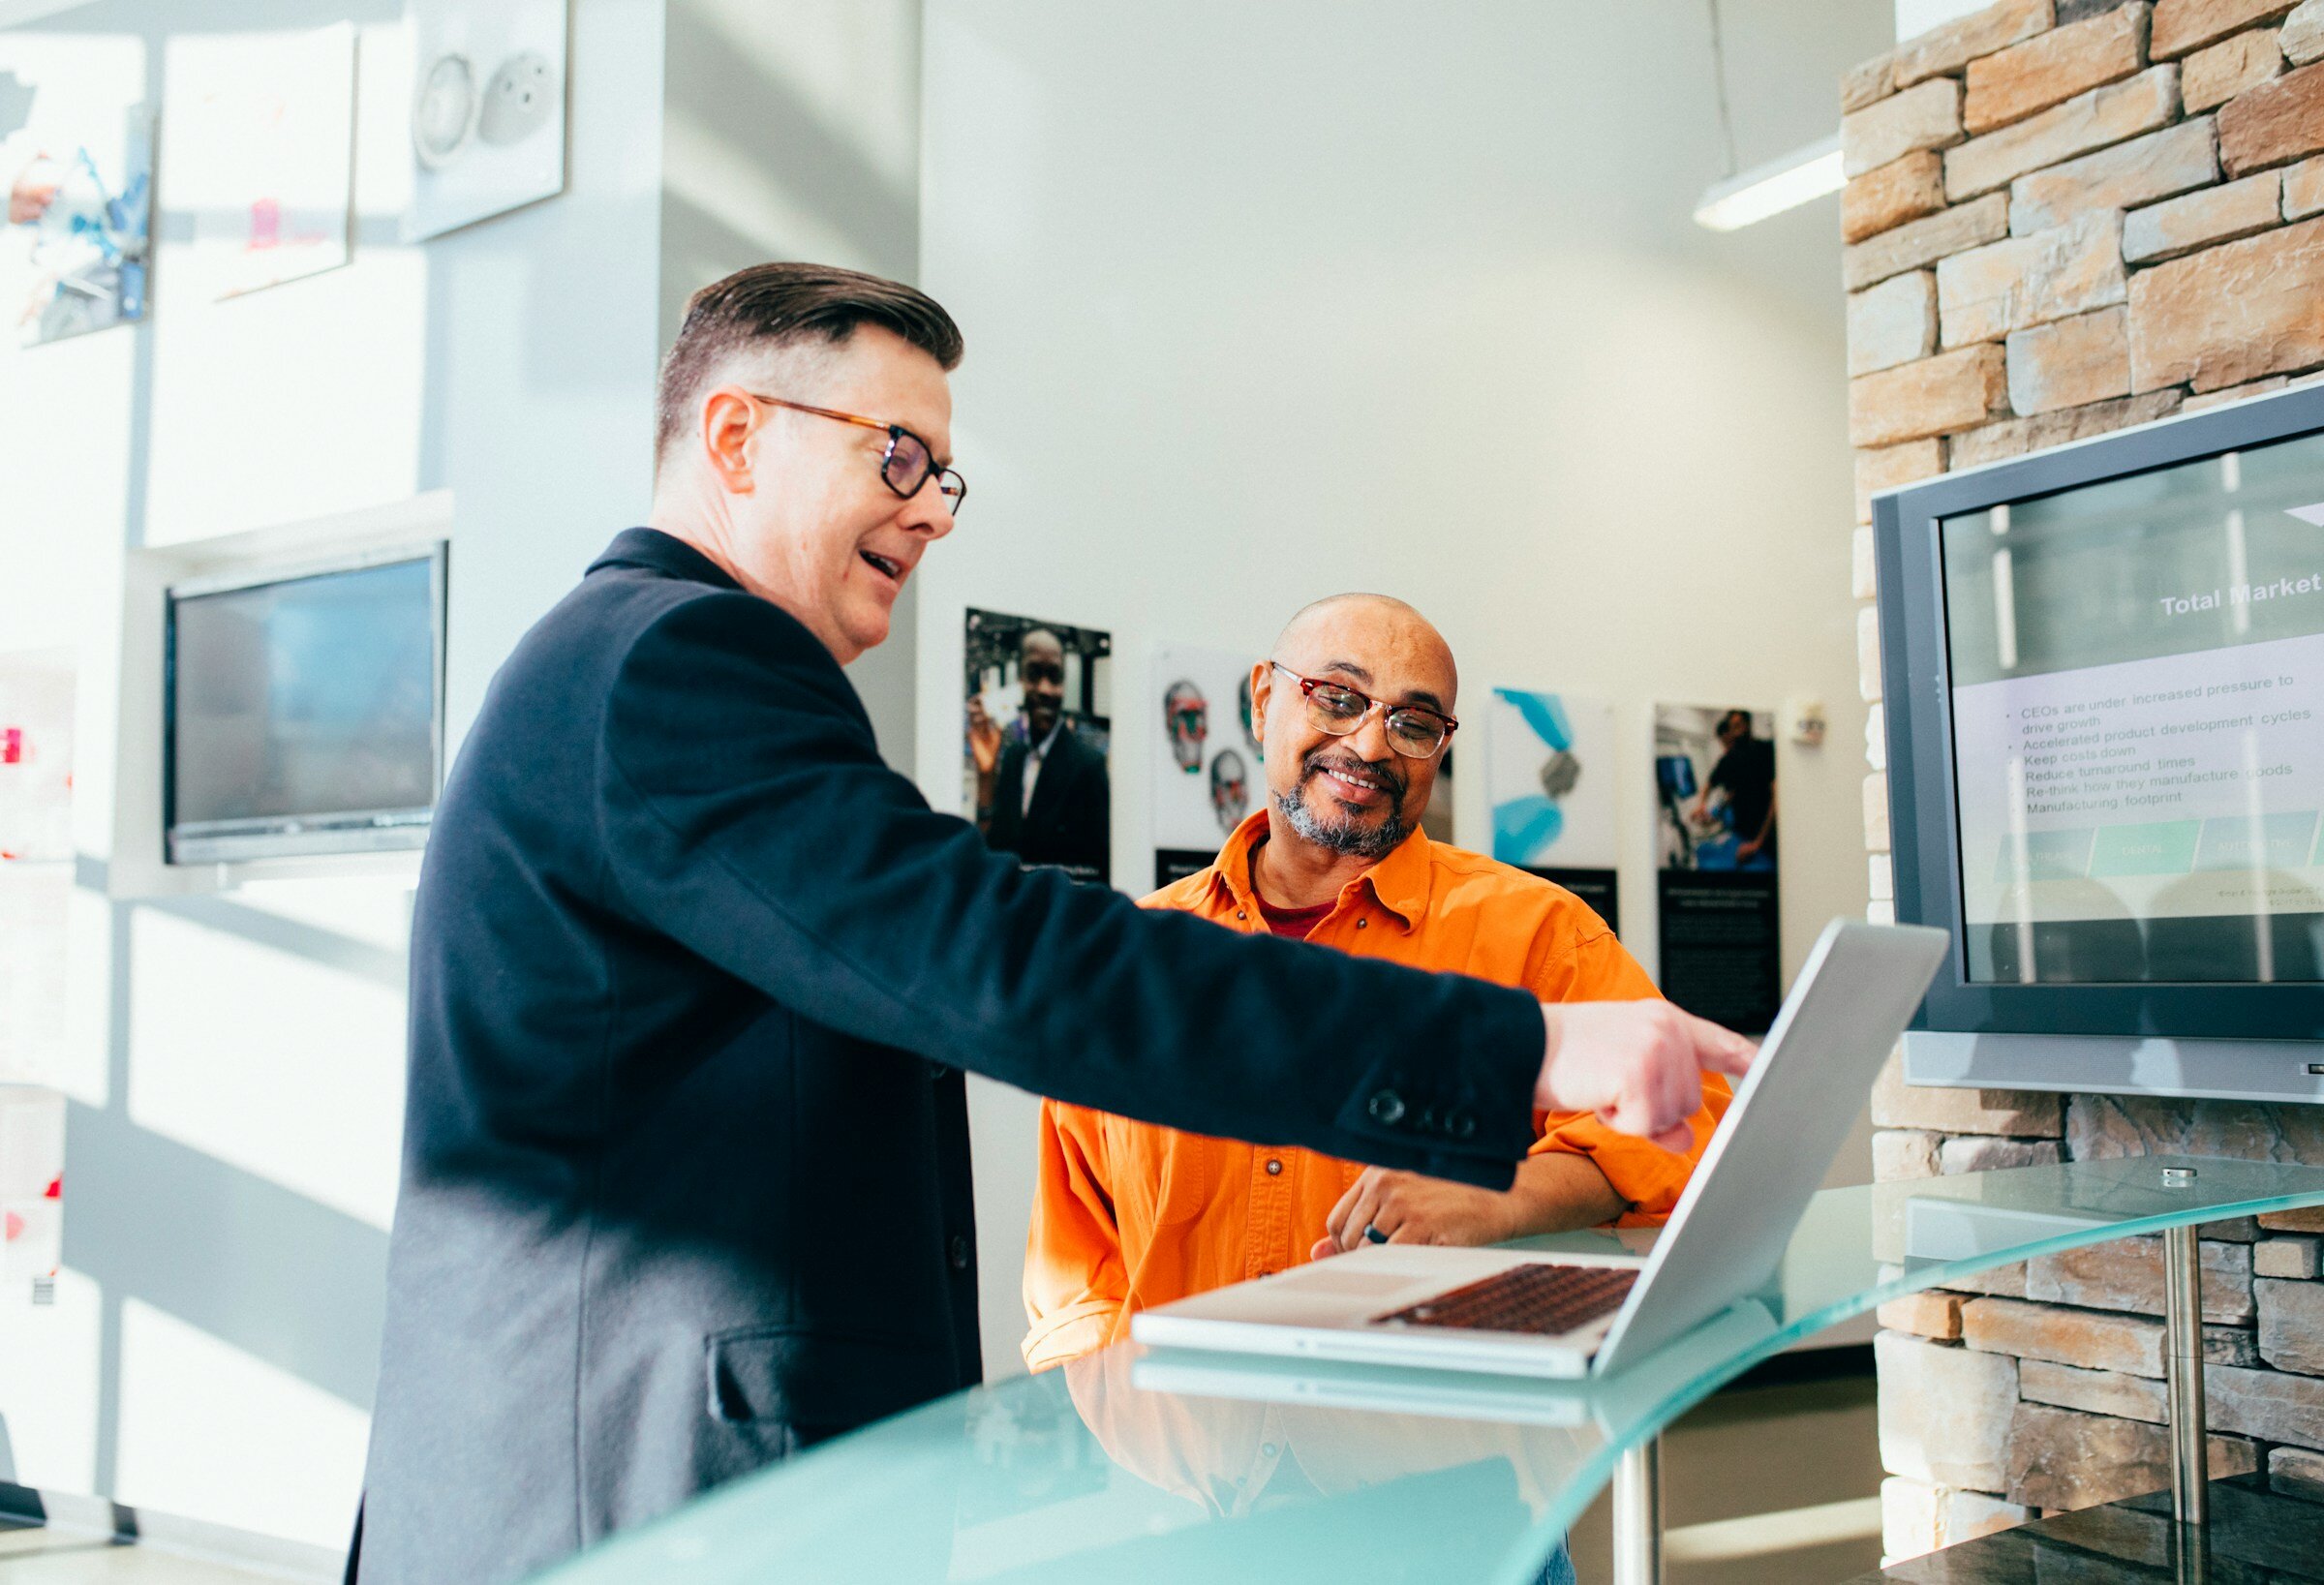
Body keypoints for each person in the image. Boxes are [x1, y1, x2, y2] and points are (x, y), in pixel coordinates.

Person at [350, 262, 1754, 1585]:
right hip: (633, 1487)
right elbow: (1007, 962)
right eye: (895, 453)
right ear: (733, 438)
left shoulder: (637, 666)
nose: (936, 509)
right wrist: (1523, 1053)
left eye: (942, 471)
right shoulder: (677, 661)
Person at [1023, 596, 1730, 1370]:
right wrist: (1121, 1436)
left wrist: (1500, 1194)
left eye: (1414, 723)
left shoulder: (1538, 933)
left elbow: (1693, 1122)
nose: (1369, 744)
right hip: (1182, 1465)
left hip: (1435, 1457)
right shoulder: (1138, 958)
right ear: (1264, 699)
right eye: (1337, 697)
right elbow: (1075, 1268)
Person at [976, 626, 1110, 880]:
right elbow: (995, 849)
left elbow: (1098, 872)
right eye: (1034, 674)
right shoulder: (1013, 757)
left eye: (1055, 676)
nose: (1045, 689)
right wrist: (986, 775)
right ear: (1019, 679)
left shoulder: (1088, 767)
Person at [1696, 708, 1777, 869]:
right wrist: (1702, 806)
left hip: (1765, 839)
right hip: (1741, 834)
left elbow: (1777, 797)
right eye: (1732, 727)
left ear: (1747, 725)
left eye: (1738, 726)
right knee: (1703, 852)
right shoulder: (1729, 759)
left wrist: (1758, 843)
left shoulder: (1765, 750)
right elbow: (1713, 785)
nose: (1735, 732)